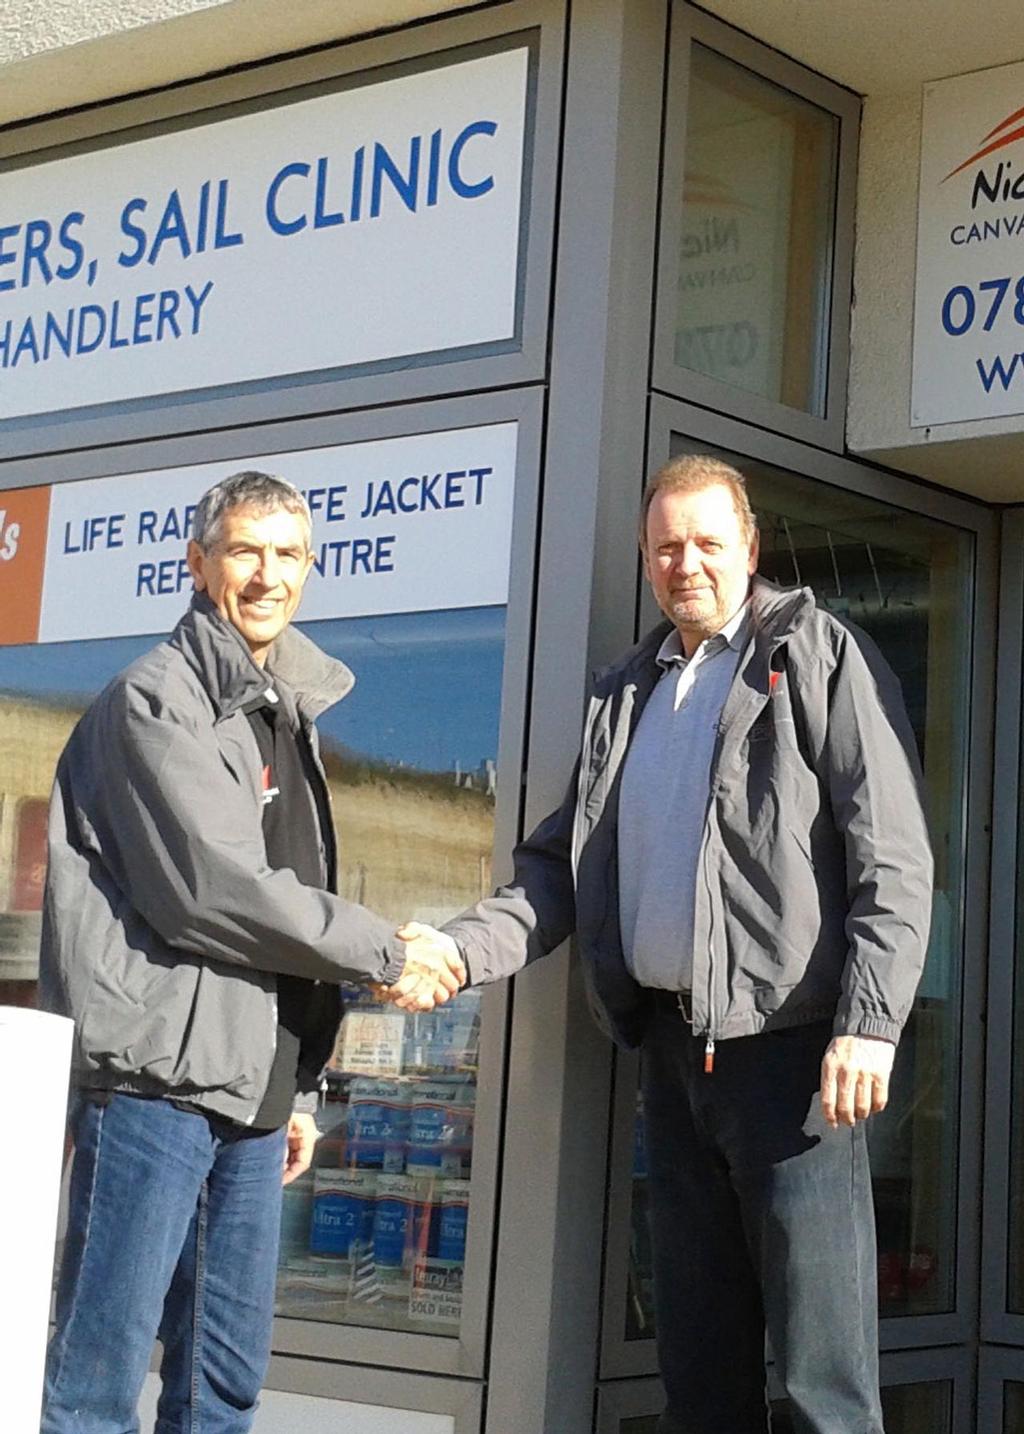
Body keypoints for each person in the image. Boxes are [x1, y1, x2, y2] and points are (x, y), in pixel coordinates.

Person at [393, 455, 934, 1434]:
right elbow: (560, 871)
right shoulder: (627, 695)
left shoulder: (813, 655)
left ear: (750, 550)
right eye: (667, 546)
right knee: (699, 1370)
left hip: (795, 1059)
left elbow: (892, 854)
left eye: (706, 543)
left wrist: (869, 1022)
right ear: (647, 561)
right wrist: (459, 952)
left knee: (822, 1384)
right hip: (677, 1065)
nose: (686, 562)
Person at [38, 470, 465, 1434]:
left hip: (255, 1096)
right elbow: (214, 893)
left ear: (310, 570)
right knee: (96, 1383)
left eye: (286, 556)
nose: (266, 576)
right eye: (243, 551)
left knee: (220, 1389)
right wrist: (387, 953)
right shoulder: (152, 704)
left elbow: (288, 888)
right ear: (197, 564)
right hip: (156, 1090)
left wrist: (302, 1085)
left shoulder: (284, 709)